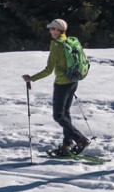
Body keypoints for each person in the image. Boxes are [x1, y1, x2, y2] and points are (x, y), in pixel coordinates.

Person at [22, 18, 89, 157]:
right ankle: (67, 144)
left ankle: (80, 139)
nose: (50, 31)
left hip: (62, 84)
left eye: (52, 29)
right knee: (66, 113)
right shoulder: (70, 41)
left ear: (58, 30)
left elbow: (48, 69)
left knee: (58, 115)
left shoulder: (57, 45)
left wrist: (31, 78)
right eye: (50, 29)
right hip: (73, 81)